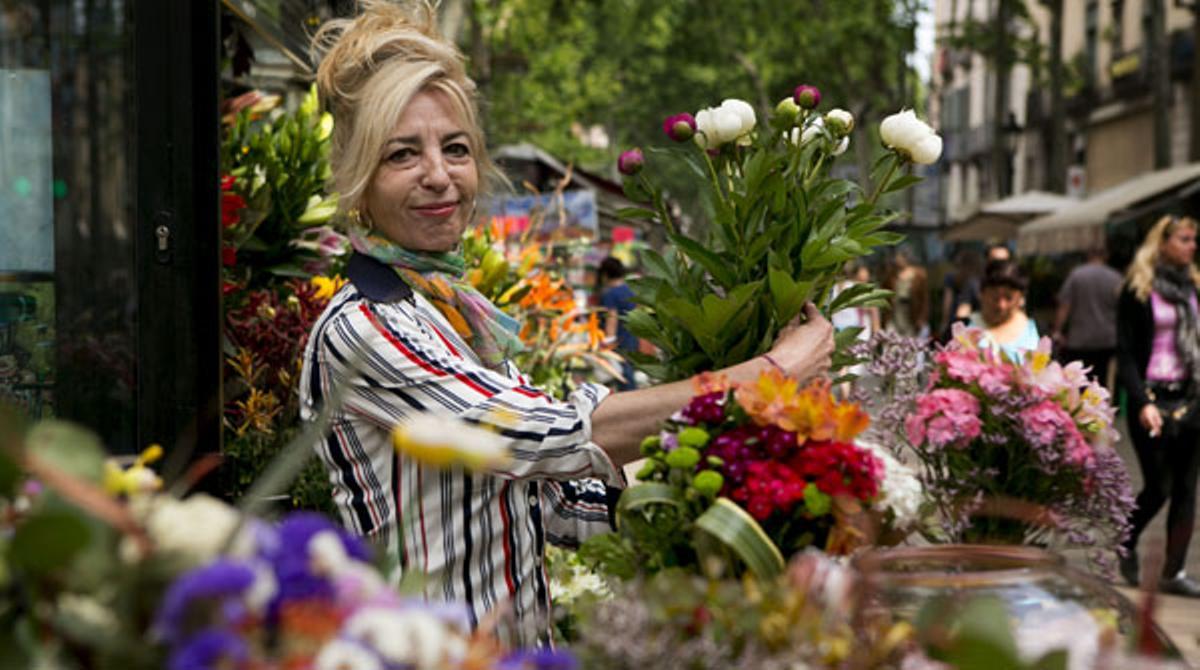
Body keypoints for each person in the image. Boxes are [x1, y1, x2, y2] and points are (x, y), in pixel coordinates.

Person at [299, 1, 834, 645]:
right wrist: (766, 379)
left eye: (456, 149)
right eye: (402, 155)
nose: (439, 176)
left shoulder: (453, 316)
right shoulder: (364, 328)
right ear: (358, 182)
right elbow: (538, 438)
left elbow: (552, 503)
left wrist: (723, 501)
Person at [1116, 215, 1200, 597]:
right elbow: (1127, 353)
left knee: (1186, 488)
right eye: (1184, 239)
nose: (1192, 246)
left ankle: (1174, 570)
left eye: (1192, 240)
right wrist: (1140, 401)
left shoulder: (1194, 287)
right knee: (1159, 485)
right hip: (1150, 396)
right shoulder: (1139, 288)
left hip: (1190, 396)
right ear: (1162, 242)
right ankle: (1126, 541)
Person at [1052, 246, 1122, 385]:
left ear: (1088, 255)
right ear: (1106, 256)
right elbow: (1122, 310)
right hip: (1106, 340)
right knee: (1102, 382)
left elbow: (1064, 306)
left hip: (1079, 339)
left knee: (1078, 383)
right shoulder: (1116, 277)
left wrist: (1057, 331)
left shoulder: (1076, 275)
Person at [969, 260, 1039, 359]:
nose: (1001, 305)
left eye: (1009, 298)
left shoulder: (1037, 332)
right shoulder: (962, 327)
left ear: (1021, 299)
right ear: (981, 294)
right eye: (995, 297)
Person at [596, 256, 638, 391]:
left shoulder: (610, 294)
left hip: (618, 339)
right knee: (628, 370)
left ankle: (629, 403)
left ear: (605, 274)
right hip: (630, 336)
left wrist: (608, 340)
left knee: (622, 374)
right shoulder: (629, 290)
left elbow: (611, 318)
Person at [938, 248, 983, 341]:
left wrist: (944, 322)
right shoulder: (978, 282)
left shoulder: (953, 279)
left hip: (957, 324)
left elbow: (947, 304)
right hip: (974, 326)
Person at [884, 248, 929, 338]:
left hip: (911, 312)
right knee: (893, 338)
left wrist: (922, 318)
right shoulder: (892, 274)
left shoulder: (918, 274)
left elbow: (924, 299)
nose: (896, 260)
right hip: (895, 310)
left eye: (898, 257)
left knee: (909, 339)